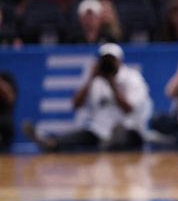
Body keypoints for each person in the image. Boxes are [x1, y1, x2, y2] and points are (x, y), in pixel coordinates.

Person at [23, 43, 152, 150]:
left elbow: (129, 109)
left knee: (125, 135)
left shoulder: (132, 78)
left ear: (120, 61)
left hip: (129, 127)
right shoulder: (96, 81)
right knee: (79, 136)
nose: (108, 65)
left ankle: (114, 141)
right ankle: (50, 143)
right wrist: (90, 79)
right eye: (104, 61)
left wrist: (112, 84)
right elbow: (75, 104)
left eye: (111, 61)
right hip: (100, 131)